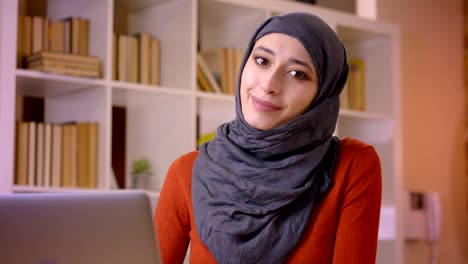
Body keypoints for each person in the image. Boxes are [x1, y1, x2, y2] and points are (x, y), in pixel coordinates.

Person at [155, 12, 382, 264]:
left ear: (323, 94)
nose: (268, 84)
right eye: (262, 60)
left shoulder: (351, 166)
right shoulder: (186, 171)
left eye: (297, 74)